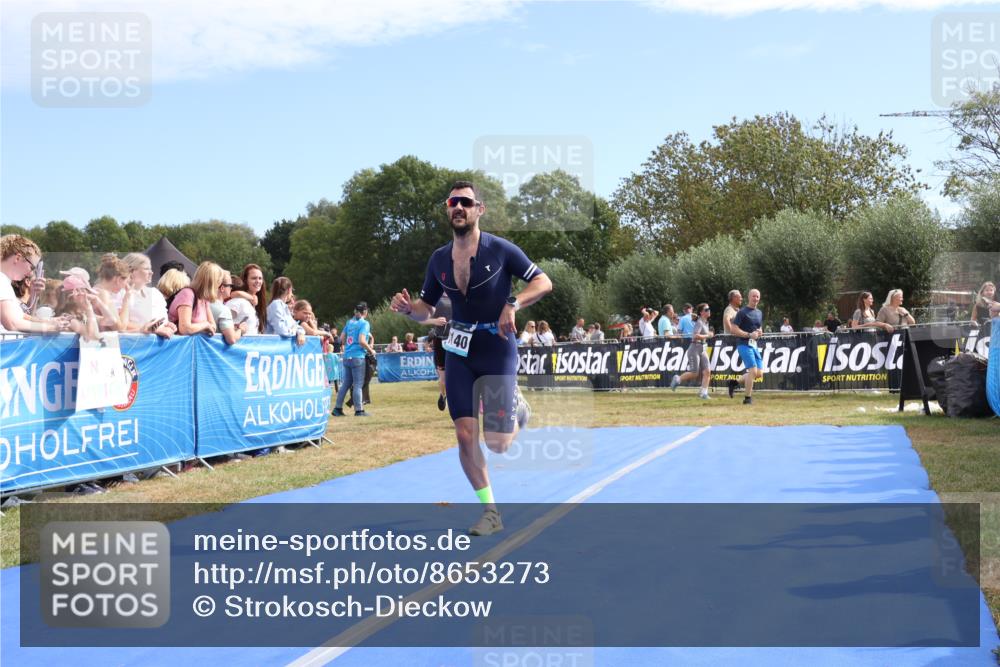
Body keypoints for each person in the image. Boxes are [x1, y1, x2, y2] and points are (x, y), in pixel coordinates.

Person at [390, 180, 552, 537]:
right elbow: (425, 310)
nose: (458, 208)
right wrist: (408, 311)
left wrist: (513, 304)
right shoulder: (438, 259)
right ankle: (490, 511)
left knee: (498, 444)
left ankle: (518, 408)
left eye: (465, 202)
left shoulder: (501, 249)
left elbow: (543, 282)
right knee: (465, 434)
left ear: (480, 209)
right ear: (448, 210)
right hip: (459, 348)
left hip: (496, 346)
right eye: (453, 202)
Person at [0, 235, 70, 334]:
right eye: (32, 267)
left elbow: (21, 316)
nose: (30, 273)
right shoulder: (1, 280)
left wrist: (50, 321)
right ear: (18, 258)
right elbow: (12, 323)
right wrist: (51, 327)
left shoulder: (4, 281)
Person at [332, 302, 374, 417]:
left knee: (345, 384)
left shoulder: (349, 322)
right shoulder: (364, 323)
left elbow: (341, 339)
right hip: (358, 357)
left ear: (355, 312)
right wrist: (371, 350)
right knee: (358, 385)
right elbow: (361, 341)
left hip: (347, 356)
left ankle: (337, 409)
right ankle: (359, 410)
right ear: (365, 312)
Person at [123, 253, 176, 338]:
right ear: (131, 271)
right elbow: (119, 324)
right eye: (146, 269)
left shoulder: (155, 293)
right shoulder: (120, 293)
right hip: (135, 346)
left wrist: (168, 325)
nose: (151, 272)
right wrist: (151, 329)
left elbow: (162, 319)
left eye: (150, 269)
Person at [728, 288, 764, 405]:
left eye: (757, 296)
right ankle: (747, 399)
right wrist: (749, 335)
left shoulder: (759, 313)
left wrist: (759, 332)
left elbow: (759, 328)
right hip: (743, 344)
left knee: (759, 373)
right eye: (753, 296)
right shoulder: (742, 312)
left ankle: (734, 382)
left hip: (753, 345)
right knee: (753, 371)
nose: (756, 299)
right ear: (749, 297)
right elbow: (733, 329)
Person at [670, 303, 713, 399]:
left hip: (702, 349)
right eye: (707, 309)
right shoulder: (699, 322)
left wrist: (708, 335)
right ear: (701, 312)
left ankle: (704, 393)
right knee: (694, 373)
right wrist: (708, 335)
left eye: (709, 309)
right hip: (694, 348)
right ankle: (678, 379)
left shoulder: (705, 322)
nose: (709, 311)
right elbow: (695, 336)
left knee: (707, 371)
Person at [168, 262, 217, 337]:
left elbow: (213, 327)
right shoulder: (187, 294)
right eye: (219, 281)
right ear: (212, 283)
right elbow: (185, 328)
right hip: (177, 346)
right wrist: (205, 325)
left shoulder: (204, 299)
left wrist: (204, 326)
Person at [210, 268, 248, 345]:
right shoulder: (223, 309)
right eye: (230, 285)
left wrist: (231, 328)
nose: (231, 288)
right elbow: (232, 339)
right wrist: (241, 330)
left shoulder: (203, 303)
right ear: (222, 288)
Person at [264, 277, 307, 345]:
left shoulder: (283, 307)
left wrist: (300, 332)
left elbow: (295, 325)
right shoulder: (276, 305)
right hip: (271, 346)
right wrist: (295, 331)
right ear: (289, 290)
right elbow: (282, 330)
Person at [94, 253, 131, 331]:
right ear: (118, 280)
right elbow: (120, 328)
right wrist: (126, 301)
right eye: (126, 282)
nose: (126, 286)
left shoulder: (97, 291)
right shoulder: (103, 294)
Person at [428, 294, 453, 411]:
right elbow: (421, 319)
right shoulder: (435, 297)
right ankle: (443, 395)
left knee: (458, 373)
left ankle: (454, 399)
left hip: (457, 339)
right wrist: (435, 320)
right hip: (440, 339)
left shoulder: (459, 294)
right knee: (443, 377)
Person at [228, 264, 268, 334]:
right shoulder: (237, 302)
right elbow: (222, 323)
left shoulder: (255, 303)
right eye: (254, 278)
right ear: (245, 280)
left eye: (260, 278)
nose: (258, 281)